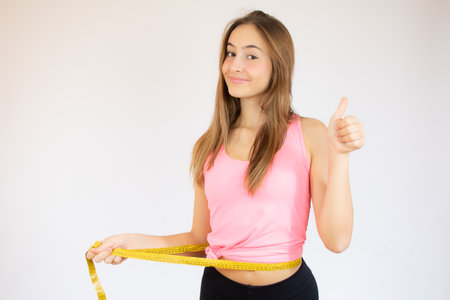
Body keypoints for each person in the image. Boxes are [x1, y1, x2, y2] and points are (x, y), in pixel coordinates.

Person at [86, 10, 365, 300]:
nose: (234, 66)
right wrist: (133, 243)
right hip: (219, 291)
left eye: (251, 56)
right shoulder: (208, 146)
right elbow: (199, 240)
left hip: (290, 293)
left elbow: (337, 240)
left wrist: (341, 155)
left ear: (278, 65)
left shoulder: (309, 134)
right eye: (230, 54)